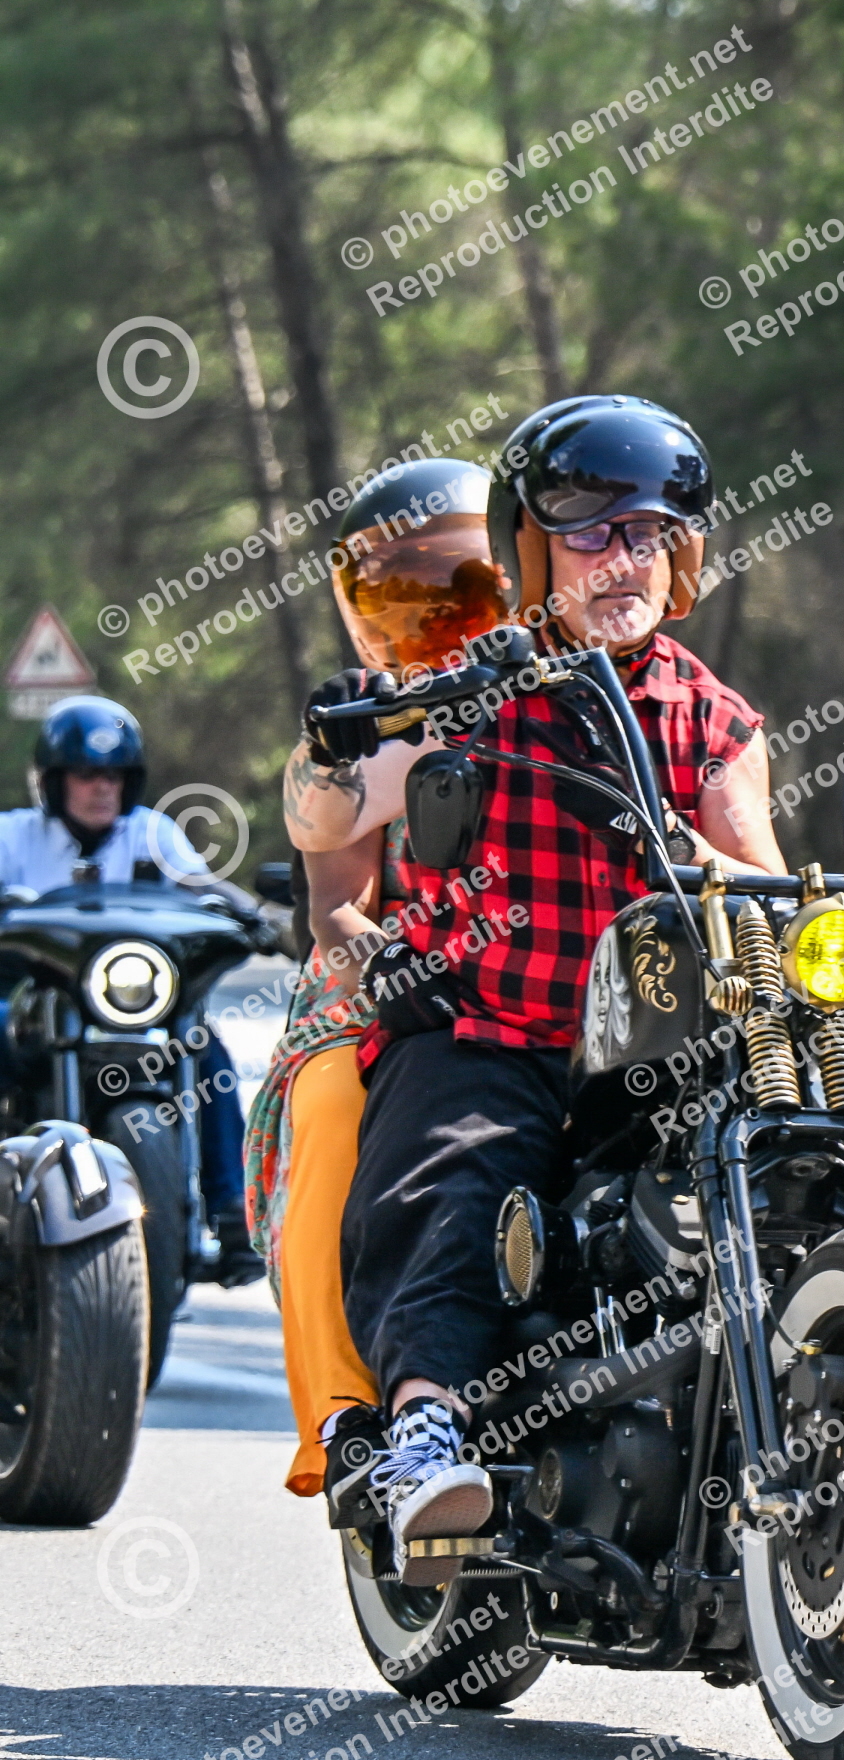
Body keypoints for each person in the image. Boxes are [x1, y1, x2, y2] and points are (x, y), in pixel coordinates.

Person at [291, 394, 789, 1581]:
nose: (625, 557)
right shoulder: (454, 690)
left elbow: (762, 878)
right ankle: (423, 1439)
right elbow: (326, 837)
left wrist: (691, 850)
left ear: (684, 555)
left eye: (651, 532)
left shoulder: (712, 716)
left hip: (662, 1045)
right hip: (491, 1025)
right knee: (452, 1175)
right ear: (526, 551)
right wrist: (342, 765)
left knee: (803, 1148)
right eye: (592, 532)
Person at [246, 457, 509, 1498]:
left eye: (455, 578)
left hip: (547, 973)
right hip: (388, 979)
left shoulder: (565, 691)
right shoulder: (352, 720)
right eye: (396, 585)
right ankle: (351, 1420)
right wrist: (390, 962)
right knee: (332, 1108)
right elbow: (334, 906)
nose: (430, 608)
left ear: (509, 574)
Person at [0, 694, 258, 1286]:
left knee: (206, 1050)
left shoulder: (153, 833)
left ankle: (233, 1211)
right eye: (86, 774)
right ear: (53, 781)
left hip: (132, 1011)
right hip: (36, 1007)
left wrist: (258, 917)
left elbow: (204, 889)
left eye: (114, 775)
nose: (102, 788)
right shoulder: (12, 837)